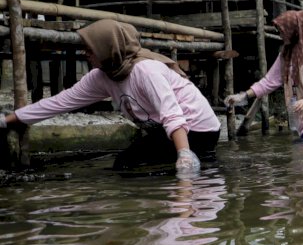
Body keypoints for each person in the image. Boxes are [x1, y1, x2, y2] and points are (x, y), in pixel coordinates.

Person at [0, 19, 219, 177]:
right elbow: (60, 102)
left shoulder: (146, 70)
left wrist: (184, 155)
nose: (86, 54)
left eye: (90, 50)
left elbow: (173, 115)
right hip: (166, 129)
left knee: (148, 169)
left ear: (108, 49)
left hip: (198, 129)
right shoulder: (102, 76)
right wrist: (10, 119)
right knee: (126, 165)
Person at [224, 10, 303, 140]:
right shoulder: (285, 54)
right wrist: (243, 96)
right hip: (300, 114)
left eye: (282, 31)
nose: (280, 34)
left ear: (293, 30)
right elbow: (269, 81)